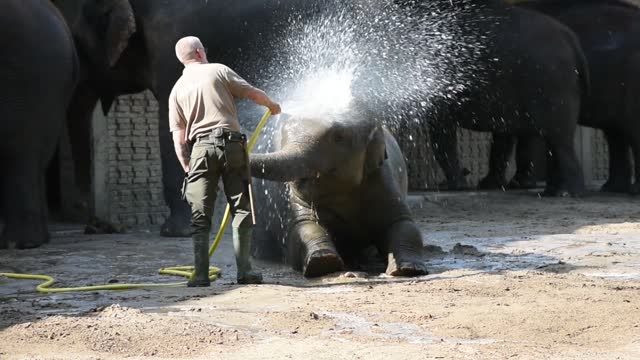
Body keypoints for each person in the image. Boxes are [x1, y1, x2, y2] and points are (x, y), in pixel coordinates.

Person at [169, 36, 281, 287]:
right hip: (231, 145)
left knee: (200, 216)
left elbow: (179, 138)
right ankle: (245, 272)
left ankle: (199, 276)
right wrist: (273, 106)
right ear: (199, 52)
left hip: (200, 150)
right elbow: (252, 94)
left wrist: (188, 167)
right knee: (241, 209)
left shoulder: (176, 89)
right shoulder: (218, 70)